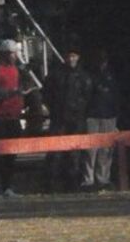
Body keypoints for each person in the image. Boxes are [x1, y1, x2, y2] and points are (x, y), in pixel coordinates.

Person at [0, 38, 29, 198]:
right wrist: (9, 93)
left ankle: (8, 185)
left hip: (13, 115)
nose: (15, 56)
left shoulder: (17, 69)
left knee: (11, 153)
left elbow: (24, 85)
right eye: (12, 53)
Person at [43, 45, 88, 191]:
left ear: (78, 57)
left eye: (74, 56)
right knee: (55, 152)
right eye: (69, 56)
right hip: (59, 118)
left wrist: (80, 109)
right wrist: (55, 109)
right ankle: (52, 183)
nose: (71, 59)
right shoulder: (55, 74)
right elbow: (46, 94)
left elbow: (88, 95)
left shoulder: (83, 76)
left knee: (75, 152)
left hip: (76, 119)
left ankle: (73, 184)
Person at [81, 48, 119, 189]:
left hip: (109, 116)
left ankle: (103, 179)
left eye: (103, 61)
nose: (101, 63)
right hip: (92, 116)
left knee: (106, 149)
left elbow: (116, 97)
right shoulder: (88, 76)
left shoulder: (112, 76)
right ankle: (88, 180)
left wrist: (116, 116)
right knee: (91, 149)